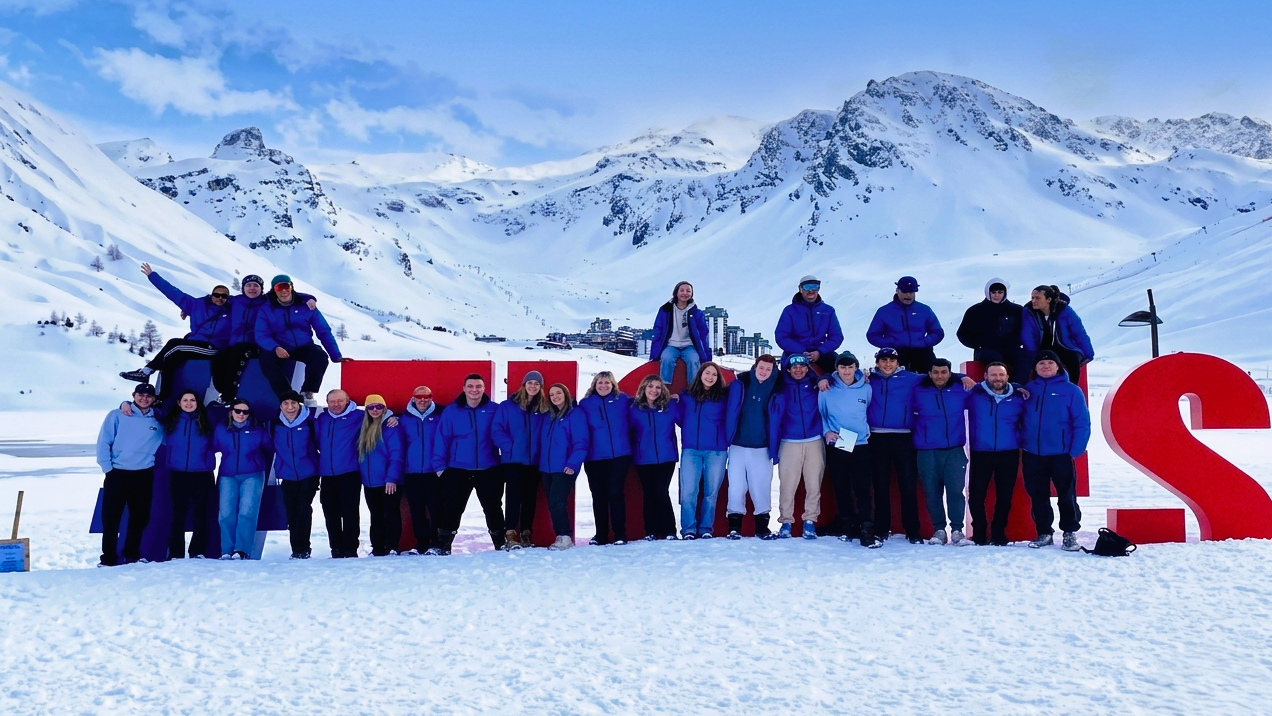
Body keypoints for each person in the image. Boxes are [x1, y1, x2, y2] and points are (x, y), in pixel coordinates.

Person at [118, 263, 231, 396]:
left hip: (213, 348)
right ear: (211, 295)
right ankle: (163, 396)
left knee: (174, 344)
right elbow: (173, 293)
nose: (220, 298)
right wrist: (152, 276)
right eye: (217, 295)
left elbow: (247, 307)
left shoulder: (232, 311)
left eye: (224, 296)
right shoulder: (196, 305)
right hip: (195, 344)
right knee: (170, 360)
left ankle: (146, 371)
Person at [1020, 351, 1091, 551]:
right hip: (1032, 452)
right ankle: (1044, 532)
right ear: (1035, 368)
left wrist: (1076, 449)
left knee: (1066, 495)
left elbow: (1082, 422)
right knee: (1037, 495)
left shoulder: (1071, 391)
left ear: (1058, 366)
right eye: (1041, 363)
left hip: (1061, 453)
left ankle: (1069, 532)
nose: (1045, 366)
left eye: (1050, 362)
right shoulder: (1027, 390)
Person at [210, 275, 314, 403]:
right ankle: (221, 390)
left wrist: (310, 298)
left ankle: (228, 395)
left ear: (261, 288)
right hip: (236, 343)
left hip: (258, 343)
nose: (252, 288)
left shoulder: (267, 301)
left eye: (256, 286)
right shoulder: (236, 301)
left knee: (239, 352)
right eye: (248, 285)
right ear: (243, 288)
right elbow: (216, 299)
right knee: (220, 356)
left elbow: (290, 294)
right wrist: (189, 310)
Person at [432, 374, 505, 554]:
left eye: (478, 386)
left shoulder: (494, 410)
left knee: (493, 507)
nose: (474, 390)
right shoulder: (452, 411)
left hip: (489, 468)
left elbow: (503, 434)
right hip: (458, 469)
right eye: (470, 386)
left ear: (484, 388)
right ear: (464, 388)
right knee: (452, 508)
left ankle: (500, 543)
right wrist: (440, 467)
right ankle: (443, 545)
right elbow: (442, 438)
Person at [95, 383, 163, 566]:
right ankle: (108, 558)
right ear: (134, 395)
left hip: (143, 474)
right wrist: (108, 469)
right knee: (111, 518)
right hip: (117, 473)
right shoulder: (117, 415)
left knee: (140, 518)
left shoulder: (157, 421)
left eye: (149, 396)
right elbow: (103, 442)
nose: (144, 398)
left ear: (154, 399)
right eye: (140, 395)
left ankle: (131, 554)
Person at [863, 347, 925, 544]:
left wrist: (961, 378)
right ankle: (881, 529)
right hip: (877, 437)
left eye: (891, 360)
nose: (887, 364)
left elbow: (937, 375)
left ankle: (913, 530)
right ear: (877, 363)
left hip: (903, 438)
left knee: (907, 485)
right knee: (880, 486)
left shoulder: (911, 378)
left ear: (898, 363)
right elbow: (842, 375)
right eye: (883, 360)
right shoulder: (869, 378)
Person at [254, 274, 343, 406]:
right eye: (279, 287)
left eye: (286, 286)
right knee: (268, 363)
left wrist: (336, 355)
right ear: (274, 290)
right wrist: (275, 347)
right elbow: (261, 334)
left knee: (319, 356)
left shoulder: (306, 305)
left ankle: (307, 392)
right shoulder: (266, 309)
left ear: (291, 287)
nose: (283, 291)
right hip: (280, 346)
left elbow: (323, 330)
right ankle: (287, 396)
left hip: (303, 346)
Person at [912, 359, 973, 546]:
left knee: (955, 491)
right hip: (927, 450)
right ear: (929, 373)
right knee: (932, 492)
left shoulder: (959, 389)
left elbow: (989, 389)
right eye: (936, 372)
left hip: (954, 449)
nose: (940, 376)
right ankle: (939, 529)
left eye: (944, 372)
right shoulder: (918, 390)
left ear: (950, 373)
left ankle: (957, 530)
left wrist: (964, 377)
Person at [723, 354, 782, 540]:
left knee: (761, 487)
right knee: (736, 487)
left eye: (768, 369)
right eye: (761, 367)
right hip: (738, 444)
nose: (764, 372)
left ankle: (762, 528)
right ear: (755, 367)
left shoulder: (778, 387)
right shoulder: (740, 383)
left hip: (762, 446)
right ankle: (734, 527)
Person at [966, 363, 1026, 546]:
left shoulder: (1018, 397)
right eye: (993, 375)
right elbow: (947, 381)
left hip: (1008, 452)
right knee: (976, 496)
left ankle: (999, 532)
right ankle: (979, 533)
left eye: (1001, 375)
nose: (997, 378)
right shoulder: (974, 395)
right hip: (980, 452)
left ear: (1007, 377)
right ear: (985, 376)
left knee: (1005, 496)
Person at [816, 352, 872, 546]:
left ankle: (866, 527)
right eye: (842, 367)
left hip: (861, 444)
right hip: (838, 443)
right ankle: (847, 525)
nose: (846, 371)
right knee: (841, 487)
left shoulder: (866, 387)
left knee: (862, 488)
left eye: (850, 367)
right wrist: (826, 432)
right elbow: (821, 413)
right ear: (836, 369)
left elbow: (869, 411)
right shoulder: (827, 388)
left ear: (856, 367)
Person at [493, 371, 547, 549]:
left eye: (537, 384)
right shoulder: (508, 406)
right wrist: (511, 447)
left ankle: (526, 532)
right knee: (513, 496)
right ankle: (510, 532)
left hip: (533, 460)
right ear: (524, 385)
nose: (533, 386)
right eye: (530, 382)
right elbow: (497, 430)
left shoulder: (543, 407)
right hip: (512, 460)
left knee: (530, 497)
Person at [676, 362, 729, 539]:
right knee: (689, 491)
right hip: (691, 450)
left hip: (716, 451)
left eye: (714, 374)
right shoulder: (687, 396)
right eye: (707, 373)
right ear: (700, 374)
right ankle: (689, 529)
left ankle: (706, 528)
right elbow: (678, 418)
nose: (710, 377)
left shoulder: (723, 397)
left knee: (711, 492)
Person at [212, 399, 272, 560]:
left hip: (253, 474)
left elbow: (270, 447)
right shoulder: (221, 429)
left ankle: (242, 550)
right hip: (227, 474)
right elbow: (211, 447)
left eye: (245, 412)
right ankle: (226, 550)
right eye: (238, 410)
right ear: (231, 411)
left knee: (247, 512)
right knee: (225, 514)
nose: (241, 414)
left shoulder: (257, 430)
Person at [774, 354, 825, 539]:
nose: (798, 370)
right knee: (787, 485)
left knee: (813, 483)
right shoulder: (781, 386)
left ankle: (810, 521)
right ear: (788, 369)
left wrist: (823, 378)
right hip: (789, 441)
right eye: (794, 367)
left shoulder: (815, 385)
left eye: (802, 367)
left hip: (814, 440)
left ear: (807, 368)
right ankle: (786, 521)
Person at [161, 390, 216, 559]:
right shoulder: (170, 421)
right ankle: (176, 553)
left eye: (192, 400)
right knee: (177, 515)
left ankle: (197, 551)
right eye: (185, 400)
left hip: (202, 474)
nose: (189, 403)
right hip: (177, 474)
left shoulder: (208, 420)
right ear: (179, 403)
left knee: (201, 515)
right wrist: (123, 405)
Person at [580, 371, 633, 545]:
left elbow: (644, 403)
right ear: (594, 385)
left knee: (615, 493)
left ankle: (620, 534)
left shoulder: (623, 400)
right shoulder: (585, 404)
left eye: (607, 383)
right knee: (598, 496)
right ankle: (600, 535)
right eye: (600, 383)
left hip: (620, 456)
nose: (603, 386)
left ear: (613, 384)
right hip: (594, 458)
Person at [628, 375, 680, 541]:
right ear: (644, 388)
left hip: (666, 457)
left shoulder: (670, 406)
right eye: (650, 386)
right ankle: (650, 531)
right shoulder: (634, 408)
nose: (654, 390)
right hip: (643, 458)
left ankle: (670, 530)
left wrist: (679, 398)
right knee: (649, 493)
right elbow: (627, 430)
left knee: (661, 492)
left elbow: (685, 420)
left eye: (658, 387)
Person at [538, 383, 589, 550]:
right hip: (547, 467)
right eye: (552, 394)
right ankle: (559, 536)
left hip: (565, 467)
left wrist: (573, 463)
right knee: (552, 503)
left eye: (558, 393)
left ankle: (565, 536)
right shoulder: (549, 416)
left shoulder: (575, 414)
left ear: (566, 394)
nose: (555, 397)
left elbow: (581, 442)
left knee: (558, 501)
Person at [271, 390, 320, 559]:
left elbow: (321, 443)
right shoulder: (275, 424)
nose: (290, 407)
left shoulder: (310, 422)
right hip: (287, 474)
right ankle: (296, 549)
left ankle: (303, 549)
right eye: (286, 403)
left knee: (303, 510)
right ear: (280, 406)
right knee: (291, 512)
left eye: (293, 403)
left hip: (309, 474)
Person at [316, 389, 364, 558]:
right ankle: (336, 548)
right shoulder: (323, 418)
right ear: (327, 402)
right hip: (327, 474)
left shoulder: (358, 416)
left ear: (347, 400)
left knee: (350, 512)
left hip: (349, 472)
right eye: (332, 402)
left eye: (339, 401)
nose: (336, 405)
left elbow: (379, 414)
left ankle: (350, 549)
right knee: (330, 512)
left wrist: (391, 417)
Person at [357, 394, 405, 556]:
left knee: (391, 514)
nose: (375, 410)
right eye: (371, 407)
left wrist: (391, 478)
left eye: (379, 407)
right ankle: (377, 548)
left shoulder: (391, 426)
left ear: (384, 408)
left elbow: (396, 454)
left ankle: (392, 546)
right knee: (375, 516)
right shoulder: (364, 427)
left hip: (388, 481)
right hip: (370, 482)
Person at [866, 276, 944, 375]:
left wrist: (924, 342)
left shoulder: (925, 310)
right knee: (897, 384)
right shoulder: (884, 311)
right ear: (897, 291)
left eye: (911, 292)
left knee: (928, 382)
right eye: (905, 292)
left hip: (922, 353)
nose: (908, 295)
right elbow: (872, 335)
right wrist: (891, 343)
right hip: (896, 354)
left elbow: (938, 332)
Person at [400, 385, 446, 555]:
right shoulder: (404, 419)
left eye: (426, 396)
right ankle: (421, 543)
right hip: (412, 472)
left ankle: (436, 542)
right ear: (413, 398)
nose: (423, 400)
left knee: (436, 509)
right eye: (419, 397)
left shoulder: (440, 416)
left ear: (431, 397)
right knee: (416, 510)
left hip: (434, 471)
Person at [1021, 285, 1094, 384]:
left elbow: (1079, 333)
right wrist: (1034, 355)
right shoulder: (1029, 312)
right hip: (1040, 347)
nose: (1033, 301)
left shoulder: (1065, 311)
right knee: (1036, 362)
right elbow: (1027, 336)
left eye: (1037, 298)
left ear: (1048, 299)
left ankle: (1072, 389)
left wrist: (1088, 354)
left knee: (1073, 360)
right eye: (1032, 298)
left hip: (1064, 346)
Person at [956, 277, 1024, 380]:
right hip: (985, 350)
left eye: (1000, 292)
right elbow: (962, 333)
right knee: (995, 359)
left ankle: (1017, 386)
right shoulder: (975, 311)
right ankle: (996, 386)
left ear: (1005, 292)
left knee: (1023, 357)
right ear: (988, 292)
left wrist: (1017, 342)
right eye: (993, 292)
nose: (996, 295)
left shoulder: (1016, 311)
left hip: (1010, 348)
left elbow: (1025, 330)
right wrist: (978, 344)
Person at [774, 275, 843, 375]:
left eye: (814, 286)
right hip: (795, 352)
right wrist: (801, 351)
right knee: (791, 374)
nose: (811, 290)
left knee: (841, 369)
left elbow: (837, 336)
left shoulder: (828, 311)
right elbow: (781, 336)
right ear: (800, 289)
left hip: (822, 353)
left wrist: (820, 351)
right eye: (807, 287)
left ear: (819, 288)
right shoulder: (790, 311)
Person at [650, 281, 713, 385]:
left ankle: (693, 389)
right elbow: (658, 329)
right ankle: (665, 388)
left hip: (689, 346)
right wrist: (655, 351)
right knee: (666, 358)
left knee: (693, 360)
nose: (685, 293)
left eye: (688, 291)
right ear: (676, 292)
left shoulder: (696, 313)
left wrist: (706, 355)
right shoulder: (666, 310)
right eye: (682, 290)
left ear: (692, 294)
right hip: (671, 345)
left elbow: (703, 333)